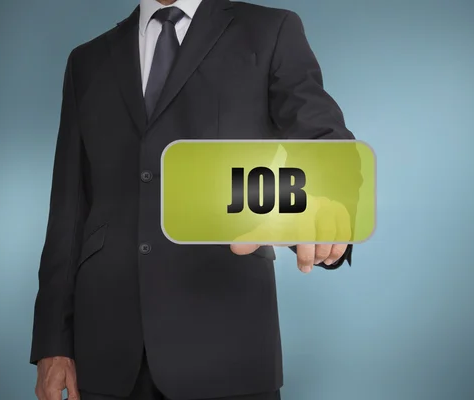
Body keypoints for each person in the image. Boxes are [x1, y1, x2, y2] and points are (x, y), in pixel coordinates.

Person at [31, 0, 357, 399]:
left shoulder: (271, 30)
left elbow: (322, 138)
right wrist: (54, 343)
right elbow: (68, 208)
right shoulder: (86, 61)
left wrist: (325, 204)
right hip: (107, 352)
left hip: (230, 344)